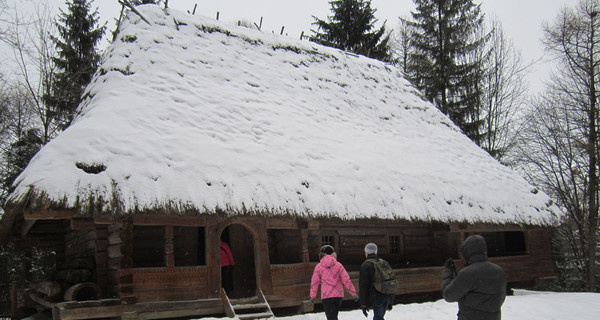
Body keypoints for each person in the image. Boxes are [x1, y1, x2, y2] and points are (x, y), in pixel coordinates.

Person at [441, 235, 507, 320]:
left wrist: (447, 272)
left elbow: (448, 295)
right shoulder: (499, 271)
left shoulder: (468, 273)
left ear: (467, 251)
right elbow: (500, 298)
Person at [310, 245, 358, 320]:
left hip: (326, 296)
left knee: (331, 317)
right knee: (334, 316)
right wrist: (353, 293)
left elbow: (315, 282)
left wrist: (313, 296)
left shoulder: (319, 267)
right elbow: (346, 280)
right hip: (338, 295)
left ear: (321, 254)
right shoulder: (339, 265)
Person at [359, 243, 394, 320]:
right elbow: (391, 279)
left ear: (366, 253)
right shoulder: (384, 262)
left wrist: (363, 303)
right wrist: (391, 299)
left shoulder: (365, 265)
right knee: (379, 317)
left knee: (378, 318)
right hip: (387, 294)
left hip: (376, 296)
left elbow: (363, 285)